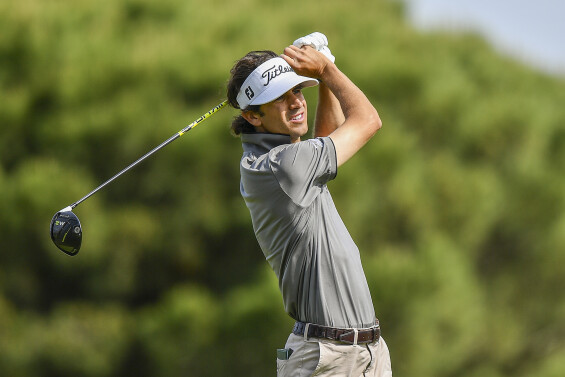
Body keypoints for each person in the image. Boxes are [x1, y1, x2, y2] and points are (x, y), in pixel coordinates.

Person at [226, 32, 392, 377]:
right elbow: (368, 121)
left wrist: (323, 82)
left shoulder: (275, 160)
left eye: (298, 90)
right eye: (280, 98)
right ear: (253, 116)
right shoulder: (282, 167)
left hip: (364, 354)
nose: (297, 103)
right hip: (328, 358)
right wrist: (327, 70)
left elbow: (325, 140)